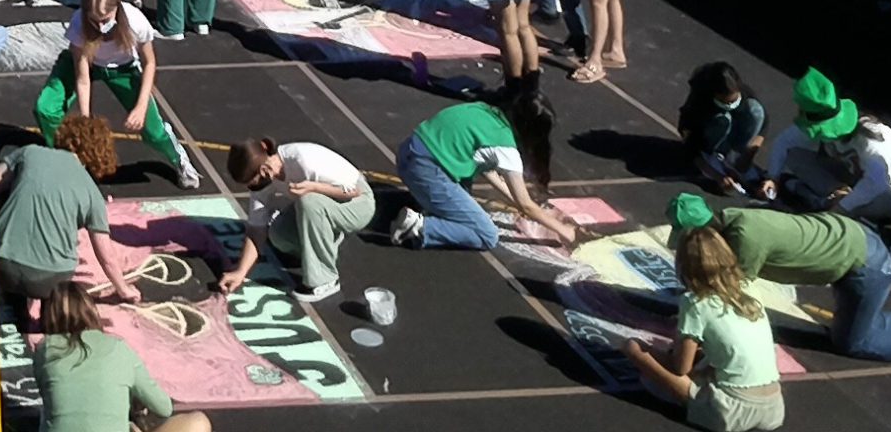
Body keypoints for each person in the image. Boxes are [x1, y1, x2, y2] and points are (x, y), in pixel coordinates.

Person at [667, 191, 891, 367]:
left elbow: (730, 294)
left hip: (864, 264)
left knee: (854, 341)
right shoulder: (734, 219)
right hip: (851, 244)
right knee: (855, 328)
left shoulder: (744, 241)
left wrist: (692, 324)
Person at [619, 222, 786, 431]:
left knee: (633, 347)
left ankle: (696, 401)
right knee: (709, 356)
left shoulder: (695, 302)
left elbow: (681, 367)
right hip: (773, 408)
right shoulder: (749, 287)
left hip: (729, 413)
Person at [35, 0, 198, 188]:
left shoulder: (135, 21)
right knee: (46, 107)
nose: (100, 26)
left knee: (153, 131)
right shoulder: (79, 23)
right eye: (94, 21)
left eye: (104, 20)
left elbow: (150, 64)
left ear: (116, 9)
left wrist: (140, 108)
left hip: (123, 69)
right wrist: (86, 121)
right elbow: (82, 76)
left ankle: (179, 159)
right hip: (88, 64)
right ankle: (64, 160)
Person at [0, 115, 139, 329]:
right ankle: (51, 309)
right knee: (56, 272)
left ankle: (13, 296)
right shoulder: (91, 192)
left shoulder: (30, 153)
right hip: (51, 279)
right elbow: (106, 256)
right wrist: (123, 289)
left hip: (1, 264)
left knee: (5, 192)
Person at [390, 82, 579, 251]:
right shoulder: (505, 147)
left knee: (465, 191)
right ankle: (419, 227)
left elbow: (487, 169)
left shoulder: (483, 110)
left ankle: (430, 206)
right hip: (426, 171)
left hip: (408, 154)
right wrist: (564, 230)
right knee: (487, 235)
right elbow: (527, 205)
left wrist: (518, 202)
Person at [34, 280, 212, 432]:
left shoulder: (45, 349)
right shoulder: (118, 348)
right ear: (91, 311)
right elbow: (164, 408)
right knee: (197, 422)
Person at [764, 69, 891, 223]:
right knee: (794, 154)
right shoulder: (821, 117)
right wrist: (772, 178)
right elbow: (784, 142)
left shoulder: (872, 144)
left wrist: (841, 208)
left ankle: (831, 203)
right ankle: (836, 197)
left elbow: (877, 183)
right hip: (854, 178)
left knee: (871, 204)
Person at [217, 136, 374, 302]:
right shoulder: (264, 180)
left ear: (264, 170)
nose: (252, 188)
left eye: (251, 183)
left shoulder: (303, 161)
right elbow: (257, 229)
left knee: (309, 202)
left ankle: (326, 280)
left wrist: (314, 187)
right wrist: (240, 272)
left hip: (358, 204)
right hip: (324, 204)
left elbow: (354, 191)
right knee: (279, 234)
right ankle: (327, 238)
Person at [680, 63, 770, 196]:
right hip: (707, 142)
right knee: (722, 120)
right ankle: (715, 155)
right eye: (726, 102)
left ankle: (733, 156)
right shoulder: (698, 106)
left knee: (756, 110)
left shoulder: (746, 96)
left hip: (733, 136)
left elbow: (763, 126)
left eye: (734, 101)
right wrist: (717, 176)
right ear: (714, 95)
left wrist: (748, 156)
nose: (731, 105)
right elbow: (691, 148)